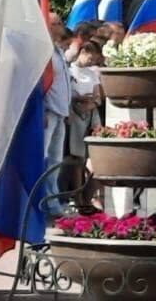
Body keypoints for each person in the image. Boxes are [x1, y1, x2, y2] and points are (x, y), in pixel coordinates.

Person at [67, 41, 104, 211]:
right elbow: (69, 94)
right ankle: (77, 194)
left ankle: (88, 196)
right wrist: (80, 100)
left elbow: (98, 97)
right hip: (75, 115)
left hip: (91, 115)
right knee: (77, 158)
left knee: (95, 158)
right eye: (91, 57)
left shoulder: (92, 73)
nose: (92, 62)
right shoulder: (69, 70)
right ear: (83, 51)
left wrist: (90, 103)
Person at [43, 12, 71, 217]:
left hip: (60, 113)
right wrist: (41, 108)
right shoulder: (45, 52)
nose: (62, 26)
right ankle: (45, 201)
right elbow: (40, 83)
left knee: (55, 160)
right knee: (44, 159)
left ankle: (53, 200)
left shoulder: (58, 51)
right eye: (58, 23)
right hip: (49, 112)